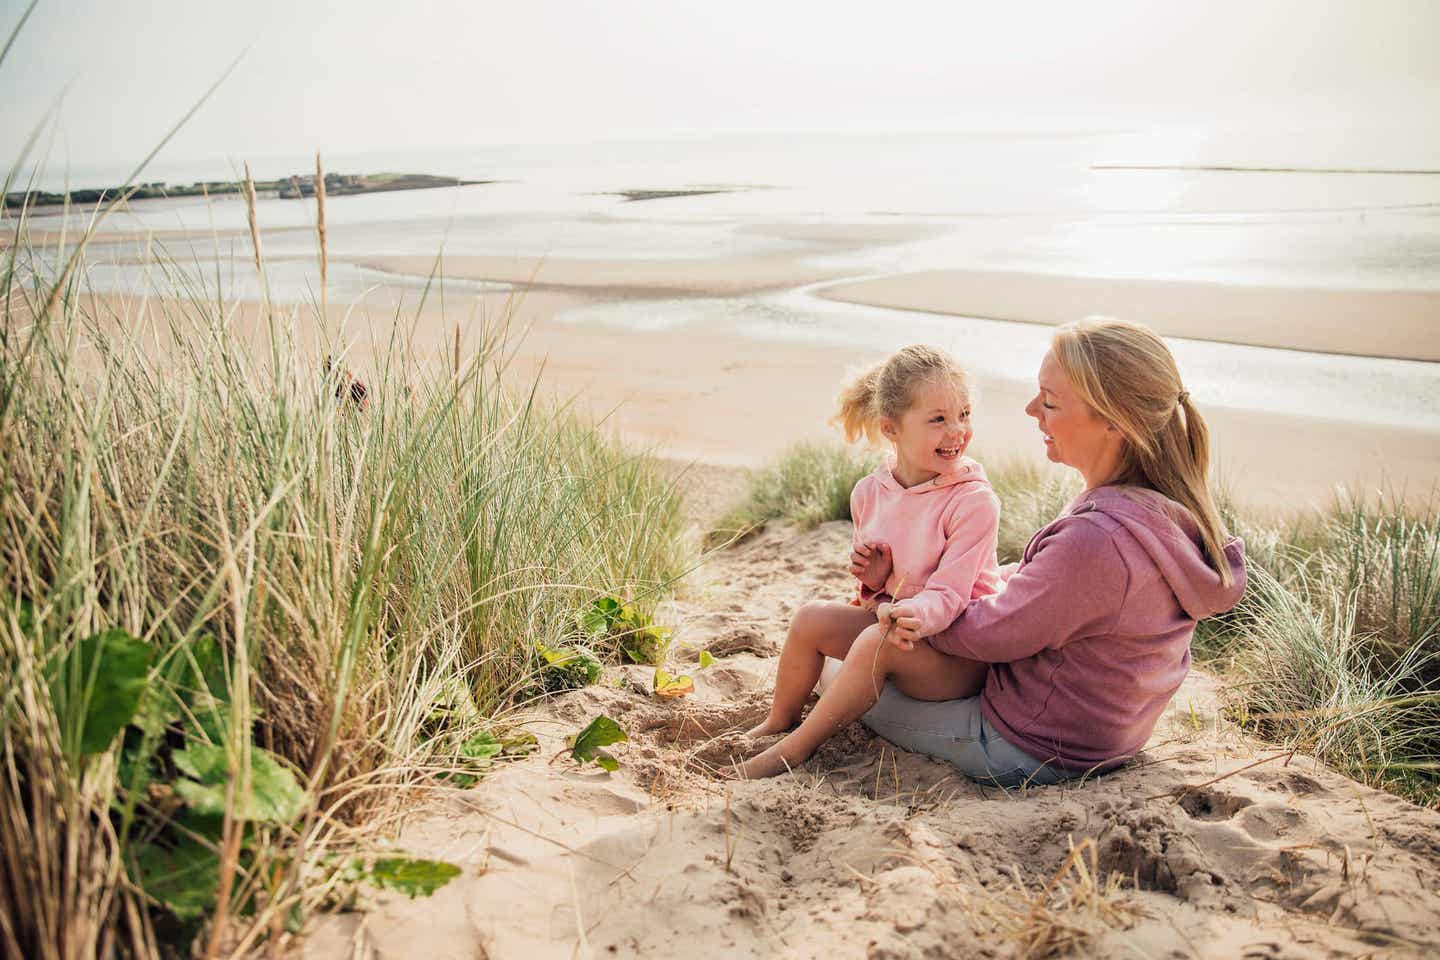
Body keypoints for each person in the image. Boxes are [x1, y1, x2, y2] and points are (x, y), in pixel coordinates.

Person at [813, 316, 1248, 787]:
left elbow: (994, 633)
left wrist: (917, 605)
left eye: (1050, 401)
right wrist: (982, 583)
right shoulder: (1156, 511)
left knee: (840, 673)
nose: (1030, 409)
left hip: (1028, 742)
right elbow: (1061, 595)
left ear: (1112, 421)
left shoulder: (1096, 540)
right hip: (1108, 732)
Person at [729, 344, 1005, 779]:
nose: (957, 431)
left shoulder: (973, 502)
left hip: (956, 655)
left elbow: (950, 593)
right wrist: (876, 581)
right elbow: (876, 597)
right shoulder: (869, 493)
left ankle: (794, 750)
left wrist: (910, 612)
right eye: (938, 419)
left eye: (964, 414)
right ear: (891, 429)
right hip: (899, 630)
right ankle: (778, 721)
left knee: (876, 640)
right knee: (810, 619)